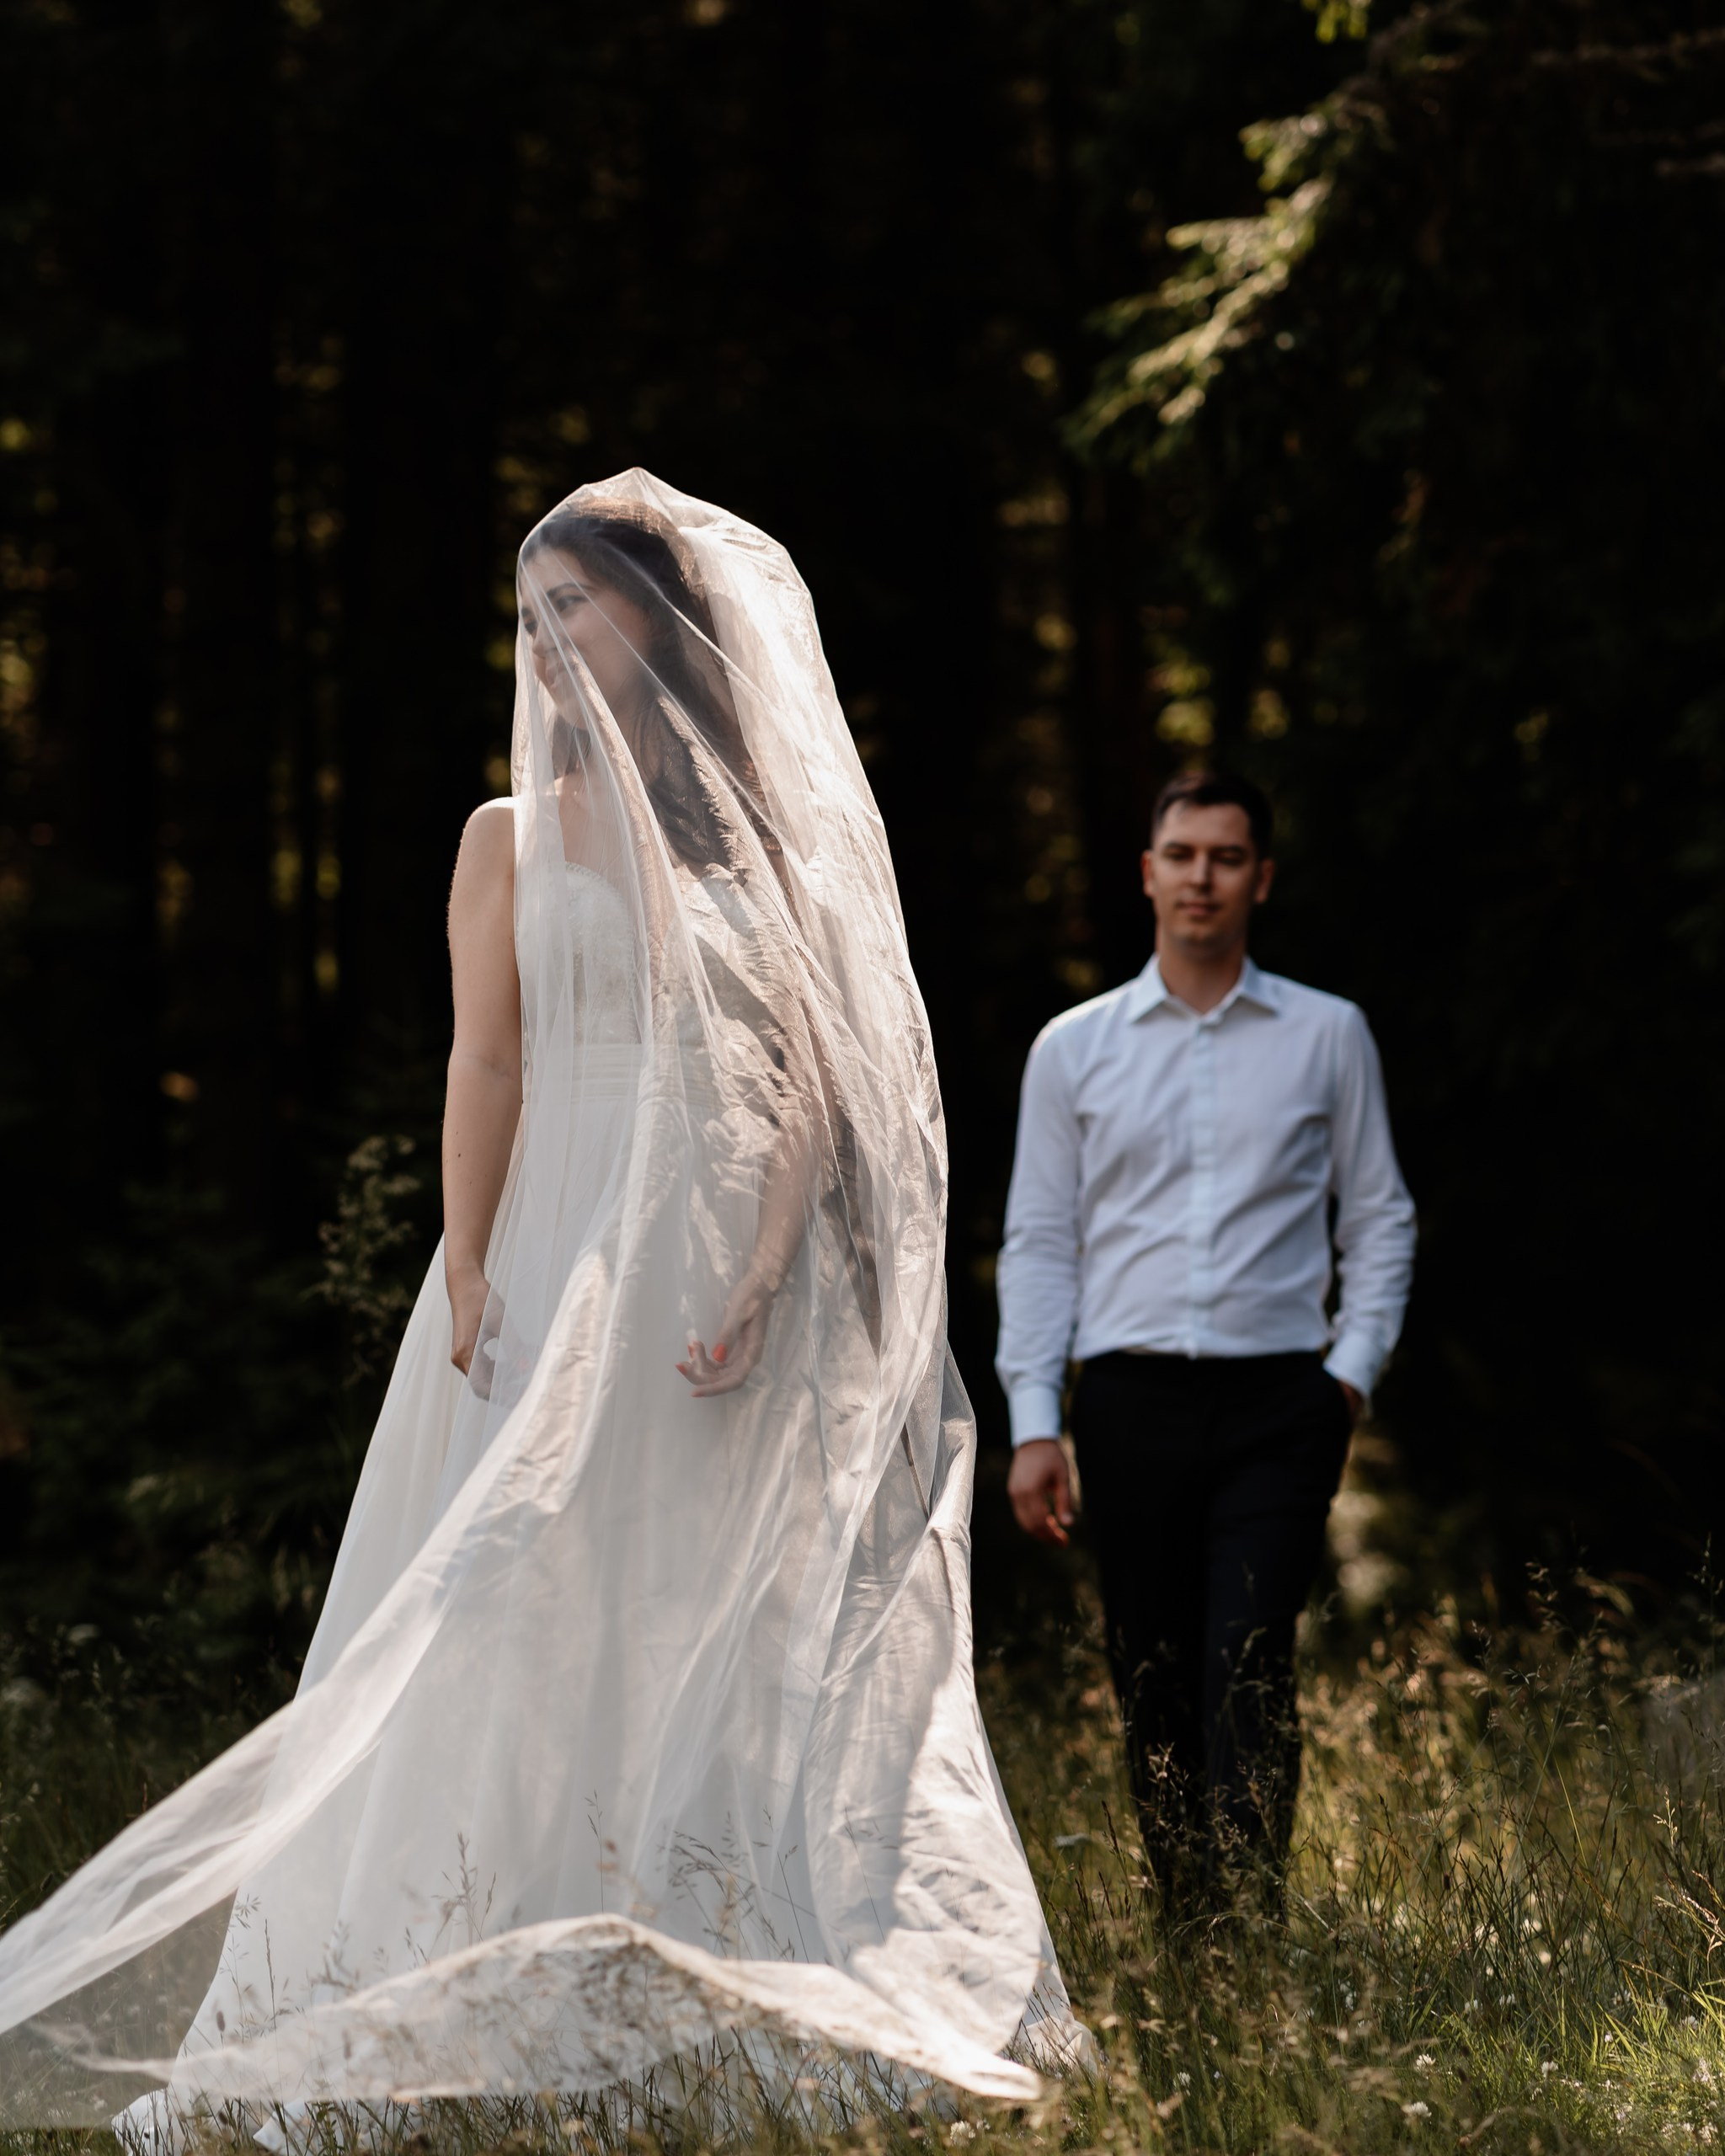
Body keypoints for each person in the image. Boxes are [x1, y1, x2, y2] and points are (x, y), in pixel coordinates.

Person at [0, 472, 1083, 2131]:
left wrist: (763, 1261)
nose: (549, 635)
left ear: (657, 617)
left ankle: (727, 1973)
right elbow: (486, 1057)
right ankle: (478, 1965)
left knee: (722, 1605)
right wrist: (469, 1256)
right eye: (533, 611)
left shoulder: (756, 839)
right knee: (511, 1601)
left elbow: (810, 1078)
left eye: (576, 602)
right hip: (554, 1244)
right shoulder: (503, 831)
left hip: (717, 1252)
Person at [996, 770, 1415, 1912]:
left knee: (1250, 1661)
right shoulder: (1073, 1049)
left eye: (1227, 858)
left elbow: (1380, 1217)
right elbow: (1040, 1240)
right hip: (1127, 1404)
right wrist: (1034, 1423)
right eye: (1182, 855)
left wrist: (1348, 1378)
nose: (1202, 878)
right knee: (1154, 1673)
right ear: (1148, 873)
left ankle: (1253, 1931)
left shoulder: (1328, 1035)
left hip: (1283, 1405)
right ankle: (1191, 1933)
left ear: (1260, 880)